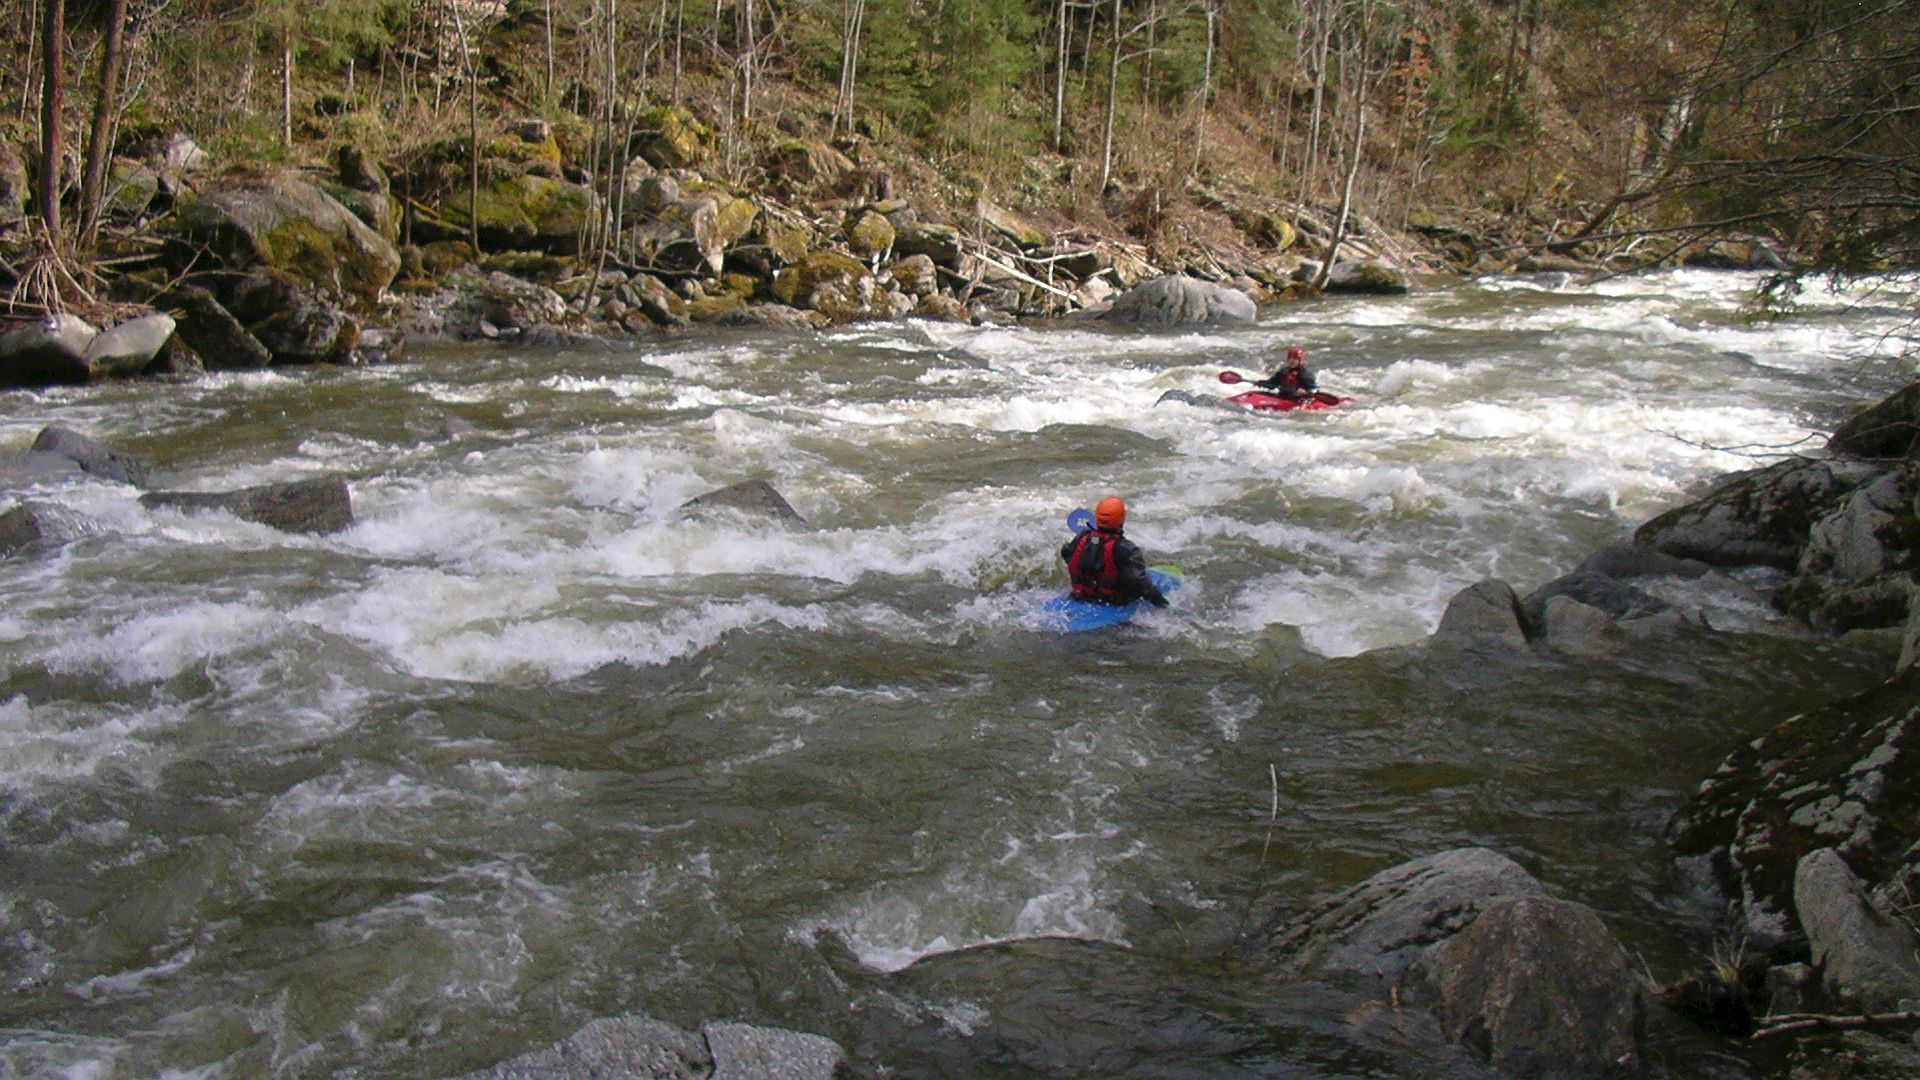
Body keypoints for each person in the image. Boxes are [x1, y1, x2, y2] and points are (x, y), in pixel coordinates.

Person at [1059, 497, 1169, 608]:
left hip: (1080, 597)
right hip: (1112, 602)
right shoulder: (1126, 548)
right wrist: (1161, 604)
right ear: (1121, 520)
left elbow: (1066, 552)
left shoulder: (1081, 538)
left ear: (1096, 517)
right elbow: (1138, 582)